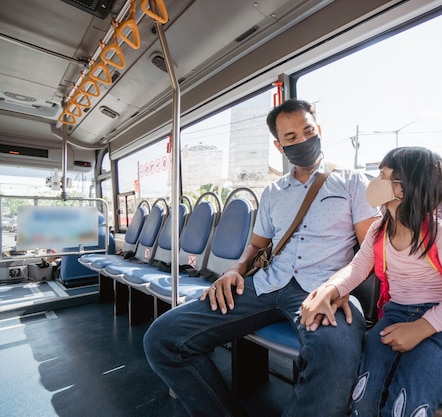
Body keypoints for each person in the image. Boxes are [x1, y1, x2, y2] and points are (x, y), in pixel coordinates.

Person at [143, 99, 378, 417]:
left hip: (326, 288)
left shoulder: (352, 182)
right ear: (279, 145)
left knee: (335, 356)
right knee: (163, 338)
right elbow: (255, 248)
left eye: (307, 131)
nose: (302, 140)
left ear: (319, 131)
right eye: (291, 137)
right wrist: (234, 270)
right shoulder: (273, 193)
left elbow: (369, 251)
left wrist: (338, 287)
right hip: (266, 284)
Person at [300, 147, 442, 417]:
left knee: (407, 405)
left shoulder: (440, 233)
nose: (374, 182)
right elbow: (358, 267)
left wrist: (420, 328)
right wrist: (330, 289)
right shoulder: (378, 229)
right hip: (395, 314)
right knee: (362, 394)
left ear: (403, 189)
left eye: (382, 174)